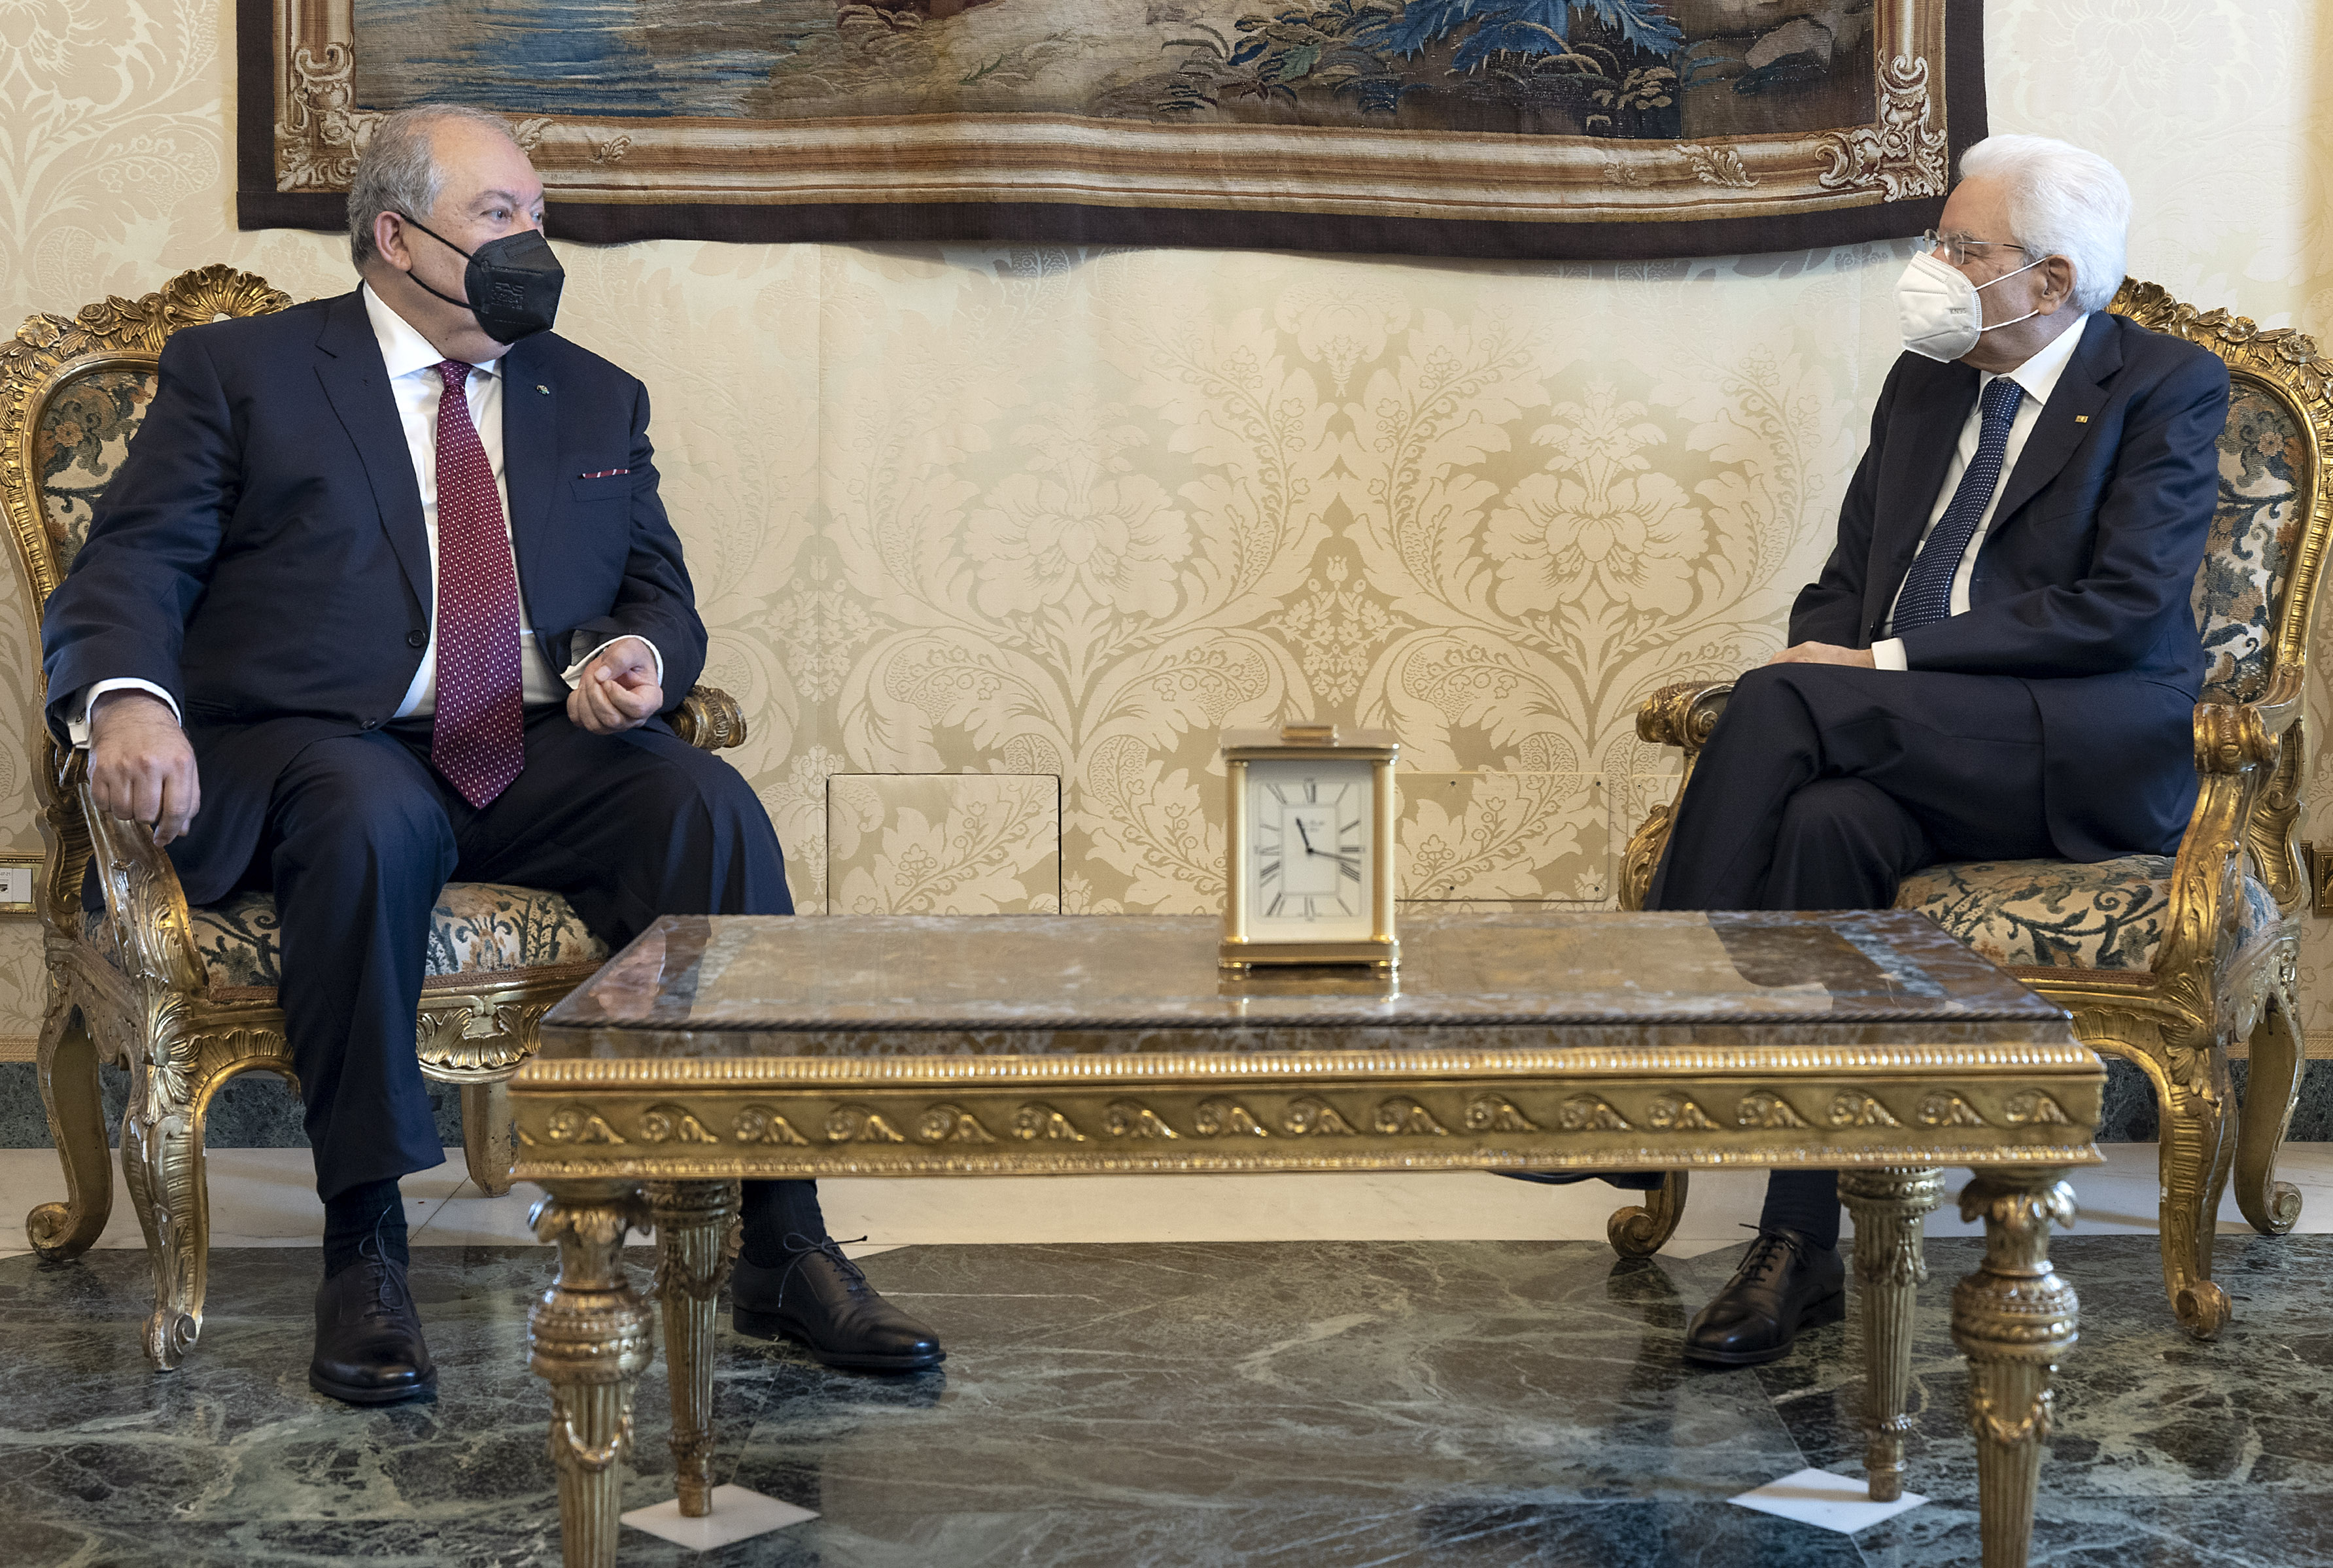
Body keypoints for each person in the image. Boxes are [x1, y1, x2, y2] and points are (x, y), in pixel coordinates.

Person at [43, 104, 944, 1405]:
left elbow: (657, 591)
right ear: (395, 237)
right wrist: (129, 703)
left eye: (537, 214)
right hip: (318, 743)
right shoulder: (244, 372)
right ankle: (366, 1245)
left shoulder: (591, 392)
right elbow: (133, 563)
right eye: (498, 215)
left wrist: (638, 654)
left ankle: (781, 1236)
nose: (533, 241)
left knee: (705, 805)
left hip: (527, 746)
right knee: (369, 811)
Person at [1643, 134, 2228, 1366]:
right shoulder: (1925, 382)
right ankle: (1798, 1243)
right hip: (1918, 745)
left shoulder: (2164, 384)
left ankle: (1644, 1059)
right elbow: (1846, 583)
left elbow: (2124, 610)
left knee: (1781, 701)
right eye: (1939, 240)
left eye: (1964, 247)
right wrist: (1839, 658)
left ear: (2051, 278)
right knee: (1823, 823)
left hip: (2075, 740)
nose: (1935, 266)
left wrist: (1874, 673)